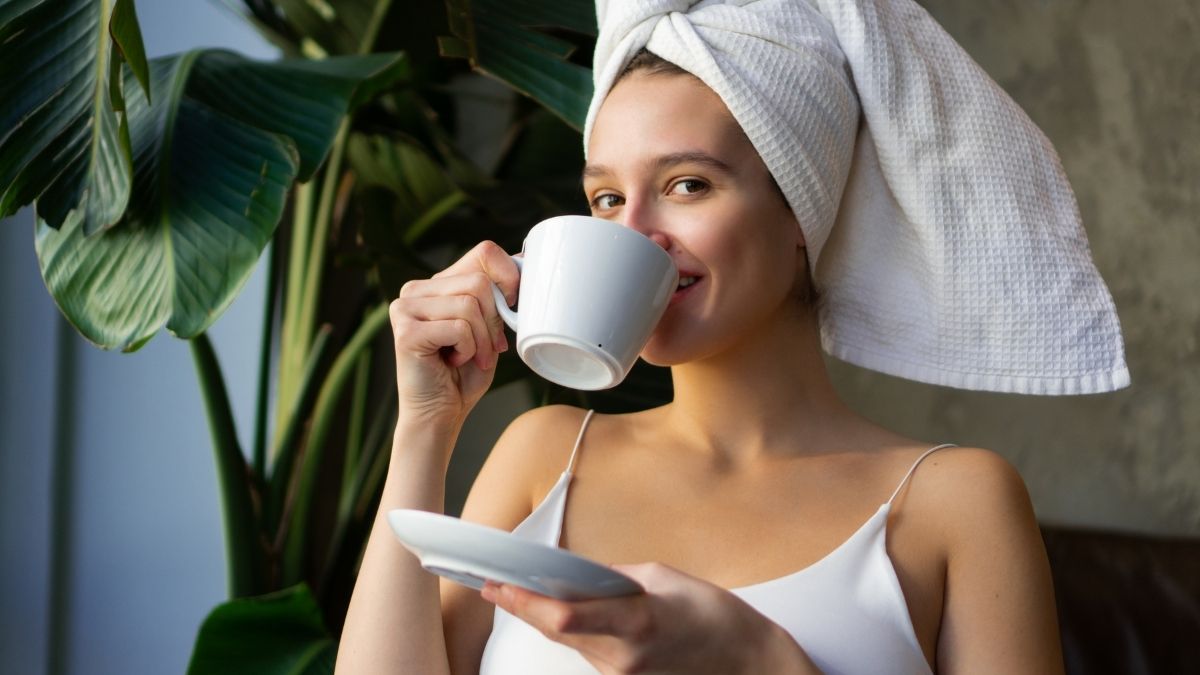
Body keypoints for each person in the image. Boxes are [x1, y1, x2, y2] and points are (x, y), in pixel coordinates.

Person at [337, 1, 1129, 673]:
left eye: (688, 185)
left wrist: (762, 659)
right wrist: (425, 428)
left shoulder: (958, 502)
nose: (635, 233)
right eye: (607, 198)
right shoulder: (541, 455)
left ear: (799, 216)